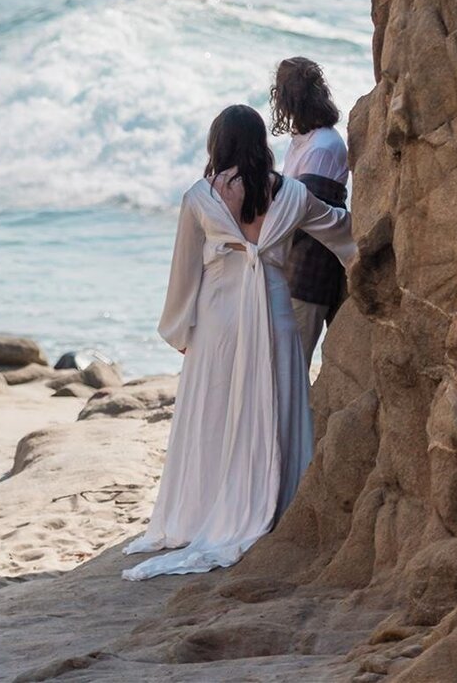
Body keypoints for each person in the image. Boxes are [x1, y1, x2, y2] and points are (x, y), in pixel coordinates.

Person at [123, 104, 355, 580]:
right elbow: (342, 231)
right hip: (275, 311)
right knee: (276, 404)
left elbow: (184, 273)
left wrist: (180, 331)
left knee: (213, 410)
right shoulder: (291, 193)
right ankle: (274, 502)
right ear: (260, 143)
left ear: (219, 144)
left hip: (218, 320)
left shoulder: (199, 197)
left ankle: (207, 507)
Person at [271, 56, 349, 369]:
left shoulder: (323, 147)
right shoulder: (303, 141)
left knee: (290, 370)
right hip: (292, 270)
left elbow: (310, 219)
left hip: (309, 274)